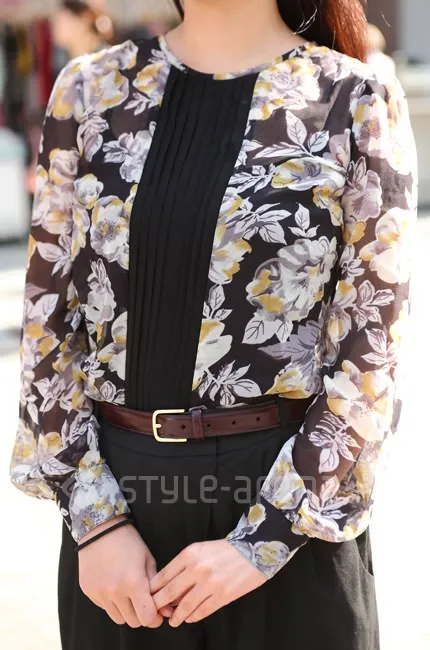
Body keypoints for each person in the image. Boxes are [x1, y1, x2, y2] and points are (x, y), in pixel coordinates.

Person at [9, 0, 417, 649]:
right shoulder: (89, 91)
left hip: (290, 526)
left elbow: (372, 351)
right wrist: (96, 522)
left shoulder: (354, 97)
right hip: (121, 544)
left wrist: (262, 541)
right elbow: (47, 325)